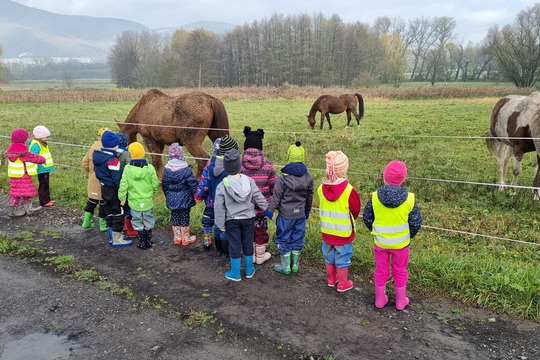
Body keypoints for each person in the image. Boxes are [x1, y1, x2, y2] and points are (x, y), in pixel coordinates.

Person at [362, 160, 422, 311]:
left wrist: (375, 230)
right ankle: (401, 301)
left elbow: (367, 217)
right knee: (400, 270)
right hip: (401, 244)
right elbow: (416, 222)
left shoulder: (375, 197)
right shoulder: (409, 199)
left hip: (380, 242)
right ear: (403, 179)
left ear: (384, 177)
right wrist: (409, 236)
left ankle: (380, 299)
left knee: (381, 270)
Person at [214, 148, 269, 281]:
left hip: (232, 220)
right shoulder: (249, 181)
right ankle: (249, 269)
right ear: (240, 166)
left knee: (235, 245)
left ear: (226, 167)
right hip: (249, 218)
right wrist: (267, 209)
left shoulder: (223, 185)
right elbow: (258, 197)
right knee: (248, 243)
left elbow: (219, 207)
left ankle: (235, 272)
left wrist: (220, 224)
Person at [264, 141, 314, 274]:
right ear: (303, 157)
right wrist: (307, 209)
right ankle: (295, 264)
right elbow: (310, 195)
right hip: (300, 215)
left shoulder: (283, 178)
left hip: (286, 215)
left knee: (284, 237)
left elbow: (277, 196)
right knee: (298, 237)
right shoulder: (308, 176)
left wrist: (270, 210)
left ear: (288, 157)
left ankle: (285, 266)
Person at [318, 150, 361, 293]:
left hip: (327, 230)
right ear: (345, 169)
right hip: (343, 233)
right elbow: (355, 209)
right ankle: (343, 283)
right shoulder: (349, 190)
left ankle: (331, 279)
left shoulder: (320, 188)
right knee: (343, 257)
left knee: (328, 256)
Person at [194, 135, 238, 256]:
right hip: (225, 204)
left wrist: (199, 195)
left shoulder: (209, 164)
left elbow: (204, 182)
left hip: (210, 202)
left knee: (207, 221)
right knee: (223, 224)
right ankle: (224, 248)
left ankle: (207, 240)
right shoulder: (230, 166)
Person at [241, 126, 277, 265]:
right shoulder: (268, 165)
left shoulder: (239, 165)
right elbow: (274, 186)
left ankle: (250, 254)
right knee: (261, 230)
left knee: (248, 230)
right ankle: (260, 255)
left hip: (245, 207)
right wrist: (274, 204)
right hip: (263, 207)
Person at [93, 130, 132, 247]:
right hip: (114, 189)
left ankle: (111, 236)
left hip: (104, 188)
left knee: (108, 211)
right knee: (118, 212)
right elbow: (117, 179)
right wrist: (122, 195)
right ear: (114, 145)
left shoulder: (98, 157)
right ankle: (117, 238)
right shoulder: (113, 161)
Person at [118, 142, 160, 250]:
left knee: (137, 220)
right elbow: (155, 182)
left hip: (134, 201)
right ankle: (148, 240)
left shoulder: (127, 168)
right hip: (147, 200)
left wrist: (122, 197)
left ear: (131, 155)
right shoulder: (150, 168)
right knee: (148, 219)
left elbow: (123, 184)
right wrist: (153, 192)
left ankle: (142, 241)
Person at [162, 143, 199, 246]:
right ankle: (186, 238)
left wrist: (167, 195)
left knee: (175, 217)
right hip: (185, 199)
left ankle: (177, 238)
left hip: (172, 198)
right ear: (181, 156)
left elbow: (164, 185)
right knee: (184, 217)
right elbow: (193, 184)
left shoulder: (166, 170)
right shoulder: (186, 170)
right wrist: (198, 194)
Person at [6, 128, 46, 217]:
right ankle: (29, 209)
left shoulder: (12, 149)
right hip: (23, 176)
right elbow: (32, 157)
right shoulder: (22, 152)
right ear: (23, 139)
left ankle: (12, 209)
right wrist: (43, 160)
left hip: (14, 175)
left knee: (16, 194)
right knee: (27, 192)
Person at [81, 127, 109, 231]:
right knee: (103, 202)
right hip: (104, 180)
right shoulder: (107, 148)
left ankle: (86, 222)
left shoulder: (92, 147)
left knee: (91, 201)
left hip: (93, 180)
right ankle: (102, 225)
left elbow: (84, 161)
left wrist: (90, 171)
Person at [116, 132, 138, 239]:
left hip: (115, 183)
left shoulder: (112, 153)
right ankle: (130, 229)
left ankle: (123, 225)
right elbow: (131, 166)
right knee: (128, 207)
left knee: (120, 206)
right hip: (126, 183)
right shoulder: (125, 154)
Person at [29, 125, 55, 207]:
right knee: (43, 185)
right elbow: (33, 156)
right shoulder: (36, 145)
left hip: (45, 168)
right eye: (46, 137)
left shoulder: (41, 143)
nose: (47, 138)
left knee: (46, 184)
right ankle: (44, 201)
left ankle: (47, 199)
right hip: (42, 168)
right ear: (40, 137)